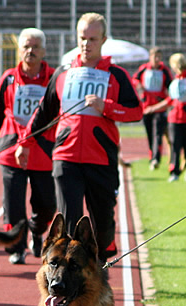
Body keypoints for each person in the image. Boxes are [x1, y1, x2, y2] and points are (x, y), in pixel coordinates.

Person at [16, 12, 142, 263]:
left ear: (104, 39)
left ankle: (100, 267)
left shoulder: (116, 76)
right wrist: (24, 143)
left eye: (93, 39)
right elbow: (43, 112)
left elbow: (136, 112)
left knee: (102, 224)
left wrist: (106, 107)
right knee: (69, 223)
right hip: (66, 157)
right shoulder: (62, 73)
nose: (86, 44)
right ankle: (70, 279)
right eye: (82, 38)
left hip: (101, 158)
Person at [0, 28, 56, 265]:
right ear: (19, 50)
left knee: (46, 204)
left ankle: (37, 230)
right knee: (13, 204)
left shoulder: (54, 78)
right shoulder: (9, 78)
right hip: (11, 149)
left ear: (43, 51)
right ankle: (17, 247)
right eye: (25, 47)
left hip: (43, 150)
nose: (30, 51)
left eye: (35, 47)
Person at [146, 53, 186, 182]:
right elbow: (170, 99)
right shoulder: (175, 80)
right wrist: (153, 108)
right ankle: (174, 171)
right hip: (174, 118)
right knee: (175, 145)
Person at [132, 47, 172, 170]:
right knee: (150, 134)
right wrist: (138, 84)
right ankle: (151, 155)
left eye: (159, 57)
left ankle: (156, 159)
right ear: (150, 57)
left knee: (158, 134)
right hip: (146, 107)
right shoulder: (144, 69)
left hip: (159, 108)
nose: (156, 59)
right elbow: (134, 79)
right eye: (154, 57)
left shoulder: (164, 71)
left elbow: (171, 85)